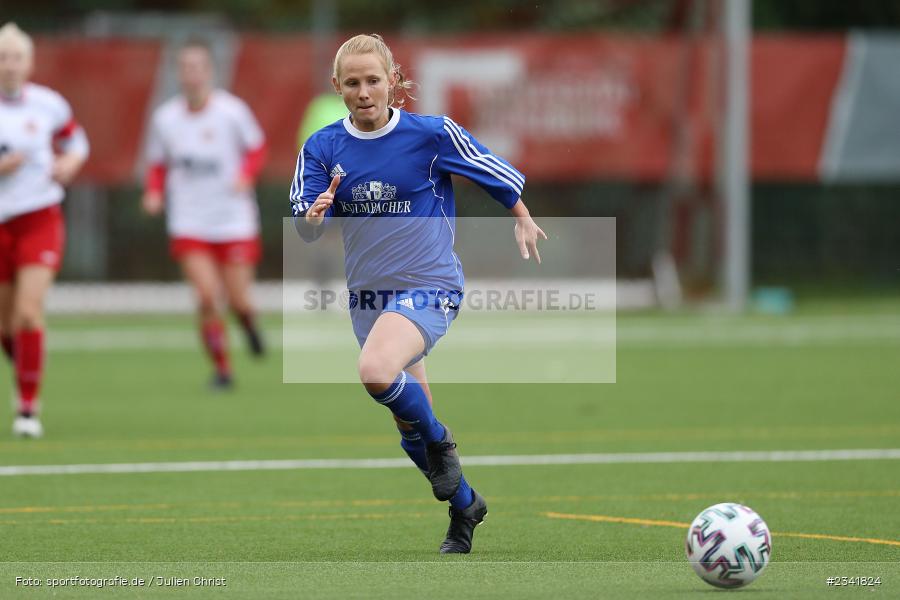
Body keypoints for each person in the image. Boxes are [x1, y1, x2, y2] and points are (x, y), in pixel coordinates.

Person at [290, 34, 546, 553]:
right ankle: (466, 506)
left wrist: (521, 214)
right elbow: (306, 224)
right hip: (369, 300)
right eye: (353, 83)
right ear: (337, 87)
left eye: (374, 80)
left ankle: (442, 444)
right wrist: (313, 219)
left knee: (376, 373)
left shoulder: (430, 135)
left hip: (431, 286)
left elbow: (489, 167)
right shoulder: (322, 147)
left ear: (393, 82)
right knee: (410, 419)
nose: (364, 92)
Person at [142, 39, 267, 389]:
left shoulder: (232, 111)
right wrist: (153, 192)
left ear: (209, 72)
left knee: (239, 299)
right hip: (189, 220)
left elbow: (256, 149)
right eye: (185, 68)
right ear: (178, 74)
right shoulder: (165, 118)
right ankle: (223, 369)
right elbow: (158, 164)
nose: (192, 75)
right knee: (208, 296)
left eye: (198, 67)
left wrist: (245, 176)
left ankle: (248, 323)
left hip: (233, 219)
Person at [0, 23, 89, 438]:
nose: (9, 65)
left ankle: (28, 407)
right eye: (2, 58)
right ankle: (26, 372)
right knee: (6, 325)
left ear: (30, 63)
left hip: (39, 217)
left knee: (28, 311)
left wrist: (69, 164)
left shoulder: (49, 105)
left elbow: (76, 142)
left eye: (16, 57)